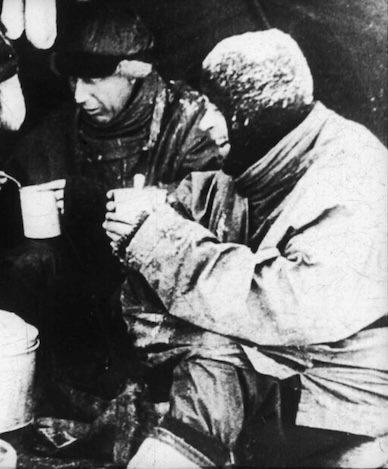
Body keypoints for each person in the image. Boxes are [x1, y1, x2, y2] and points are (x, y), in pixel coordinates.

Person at [104, 29, 388, 468]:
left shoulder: (355, 174)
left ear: (256, 112)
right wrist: (151, 213)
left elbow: (290, 309)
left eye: (218, 109)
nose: (205, 124)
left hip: (345, 393)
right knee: (210, 372)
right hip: (266, 371)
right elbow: (194, 207)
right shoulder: (260, 161)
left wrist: (158, 242)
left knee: (216, 358)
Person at [0, 5, 226, 407]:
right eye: (73, 80)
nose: (78, 95)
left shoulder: (193, 123)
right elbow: (20, 200)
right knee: (25, 266)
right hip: (81, 294)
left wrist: (97, 203)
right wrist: (0, 193)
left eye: (92, 80)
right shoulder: (63, 126)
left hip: (160, 291)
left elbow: (212, 213)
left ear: (134, 72)